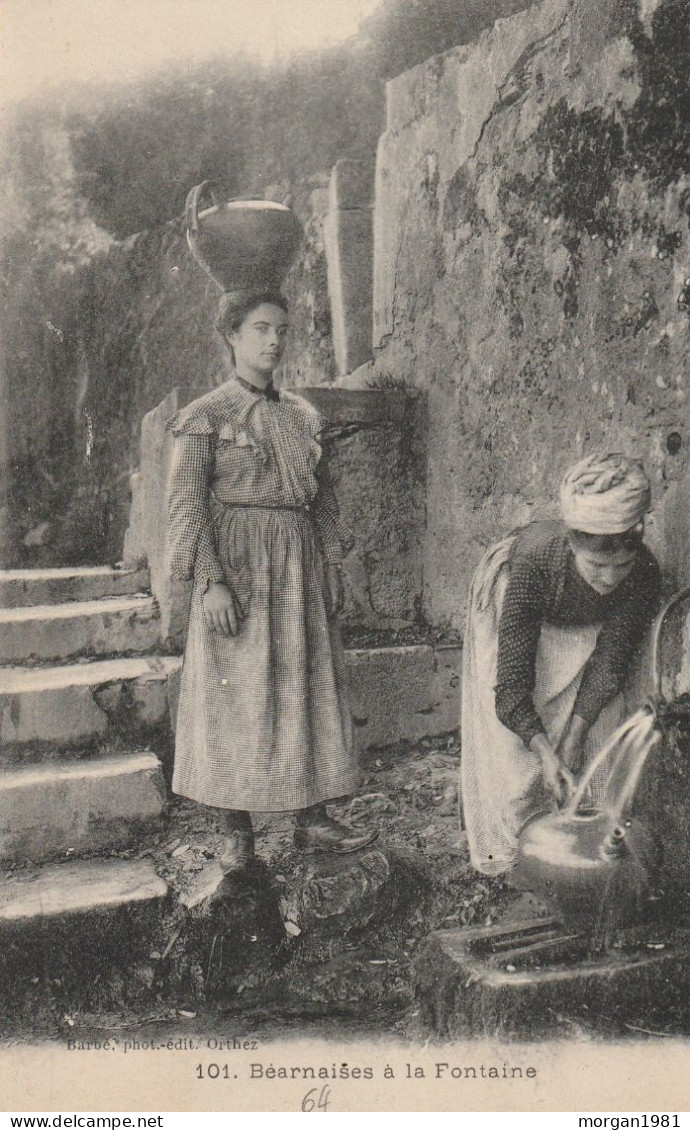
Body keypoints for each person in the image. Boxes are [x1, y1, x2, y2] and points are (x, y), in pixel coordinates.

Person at [166, 289, 377, 872]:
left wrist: (330, 563)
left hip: (297, 561)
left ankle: (313, 819)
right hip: (236, 561)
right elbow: (186, 504)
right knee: (236, 691)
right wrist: (209, 583)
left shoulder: (301, 415)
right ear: (232, 336)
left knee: (305, 680)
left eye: (281, 329)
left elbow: (324, 496)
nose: (274, 340)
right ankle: (237, 831)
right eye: (260, 329)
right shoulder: (206, 415)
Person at [461, 452, 661, 877]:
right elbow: (512, 687)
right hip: (522, 601)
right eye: (596, 565)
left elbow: (610, 661)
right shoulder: (536, 560)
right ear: (571, 546)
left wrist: (572, 739)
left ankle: (578, 860)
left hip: (580, 621)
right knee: (517, 758)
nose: (609, 578)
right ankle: (519, 859)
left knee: (595, 735)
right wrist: (544, 751)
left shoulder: (643, 574)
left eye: (620, 565)